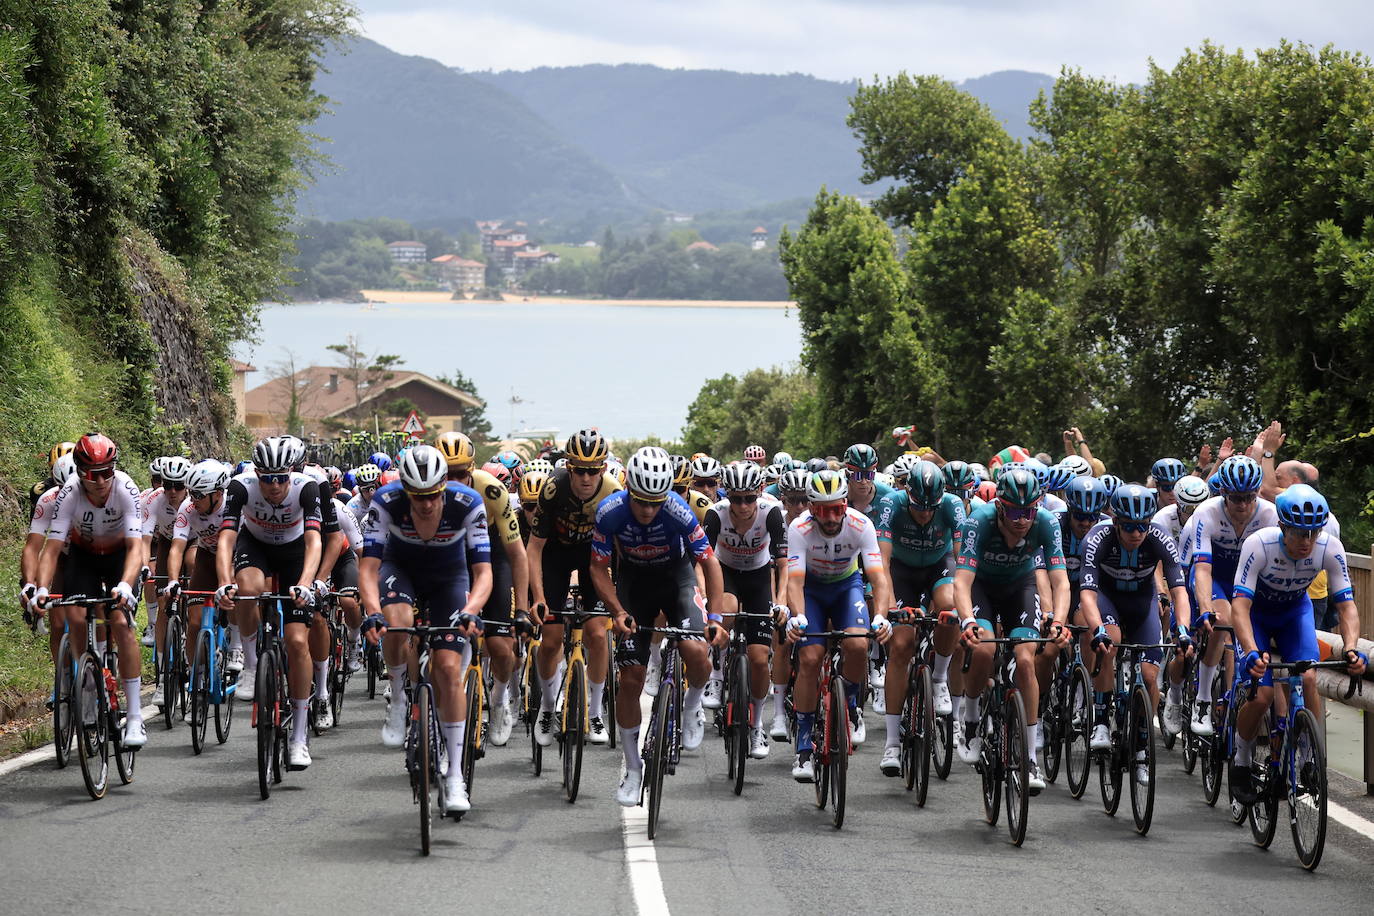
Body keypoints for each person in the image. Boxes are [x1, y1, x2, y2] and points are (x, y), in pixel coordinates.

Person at [589, 447, 726, 806]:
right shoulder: (610, 512)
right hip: (634, 586)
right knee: (630, 678)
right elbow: (597, 569)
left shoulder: (678, 512)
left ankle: (693, 705)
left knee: (697, 652)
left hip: (675, 579)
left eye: (655, 502)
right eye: (641, 502)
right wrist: (617, 611)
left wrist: (715, 619)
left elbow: (710, 564)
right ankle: (633, 769)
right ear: (629, 491)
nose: (648, 510)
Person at [360, 445, 492, 811]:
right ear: (405, 490)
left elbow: (483, 572)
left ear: (444, 487)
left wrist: (471, 609)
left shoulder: (468, 503)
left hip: (449, 577)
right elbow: (368, 568)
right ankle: (399, 698)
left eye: (433, 495)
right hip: (399, 569)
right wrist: (373, 611)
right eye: (418, 497)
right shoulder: (386, 502)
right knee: (396, 623)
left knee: (448, 669)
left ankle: (455, 778)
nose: (427, 503)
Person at [1229, 485, 1367, 802]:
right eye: (1298, 533)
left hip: (1294, 612)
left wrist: (1350, 648)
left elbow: (1346, 606)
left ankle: (1307, 757)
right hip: (1257, 617)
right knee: (1262, 694)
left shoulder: (1329, 548)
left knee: (1307, 676)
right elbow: (1240, 607)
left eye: (1312, 533)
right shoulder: (1258, 545)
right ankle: (1241, 758)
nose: (1306, 542)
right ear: (1282, 526)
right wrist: (1251, 650)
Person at [953, 467, 1071, 791]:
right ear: (1001, 508)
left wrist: (1057, 620)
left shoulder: (1046, 522)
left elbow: (1060, 582)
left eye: (1028, 511)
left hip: (1021, 585)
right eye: (1015, 511)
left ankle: (1030, 757)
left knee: (1026, 659)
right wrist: (968, 621)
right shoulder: (979, 521)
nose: (1022, 519)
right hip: (983, 588)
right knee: (984, 648)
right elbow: (962, 582)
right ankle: (973, 718)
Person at [32, 434, 149, 748]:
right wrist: (41, 589)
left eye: (106, 472)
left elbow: (136, 546)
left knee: (121, 624)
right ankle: (86, 685)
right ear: (79, 472)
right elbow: (52, 549)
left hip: (118, 558)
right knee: (75, 616)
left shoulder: (125, 488)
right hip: (83, 558)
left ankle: (135, 717)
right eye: (91, 474)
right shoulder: (69, 493)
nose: (99, 481)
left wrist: (125, 584)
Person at [214, 436, 323, 770]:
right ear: (256, 474)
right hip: (256, 544)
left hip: (294, 552)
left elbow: (314, 540)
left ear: (291, 473)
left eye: (281, 478)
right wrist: (223, 582)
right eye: (267, 478)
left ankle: (300, 737)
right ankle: (249, 667)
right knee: (248, 588)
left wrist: (305, 583)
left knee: (296, 641)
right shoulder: (240, 486)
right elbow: (226, 538)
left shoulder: (307, 488)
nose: (274, 486)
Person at [784, 469, 895, 781]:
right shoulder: (799, 528)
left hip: (847, 587)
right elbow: (794, 581)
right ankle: (804, 746)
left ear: (845, 505)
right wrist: (798, 615)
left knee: (859, 644)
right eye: (822, 510)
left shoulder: (862, 525)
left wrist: (881, 616)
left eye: (836, 509)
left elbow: (877, 577)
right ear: (810, 508)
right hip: (812, 591)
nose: (830, 518)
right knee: (809, 657)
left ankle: (850, 703)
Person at [1077, 485, 1192, 784]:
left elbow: (1180, 592)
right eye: (1129, 526)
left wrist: (1182, 629)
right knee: (1109, 643)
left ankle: (1141, 746)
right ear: (1116, 522)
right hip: (1107, 600)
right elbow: (1088, 594)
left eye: (1142, 526)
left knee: (1151, 677)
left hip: (1142, 605)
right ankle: (1101, 721)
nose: (1136, 533)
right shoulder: (1097, 538)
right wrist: (1097, 629)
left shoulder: (1159, 538)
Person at [435, 431, 532, 746]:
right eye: (447, 474)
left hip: (493, 555)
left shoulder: (492, 490)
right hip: (448, 559)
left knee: (502, 647)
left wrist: (521, 610)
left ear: (473, 468)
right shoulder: (423, 494)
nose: (454, 481)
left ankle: (500, 698)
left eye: (461, 473)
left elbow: (517, 554)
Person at [527, 429, 620, 748]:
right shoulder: (554, 488)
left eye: (593, 470)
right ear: (569, 467)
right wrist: (538, 596)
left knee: (596, 633)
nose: (585, 477)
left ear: (603, 469)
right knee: (551, 640)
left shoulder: (613, 492)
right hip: (555, 555)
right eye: (579, 469)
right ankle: (547, 707)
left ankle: (595, 712)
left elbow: (621, 550)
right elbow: (534, 547)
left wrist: (620, 600)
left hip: (593, 557)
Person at [874, 460, 965, 776]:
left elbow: (964, 563)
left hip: (940, 566)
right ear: (906, 492)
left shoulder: (953, 505)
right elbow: (881, 563)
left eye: (931, 508)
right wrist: (887, 609)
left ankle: (939, 678)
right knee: (901, 645)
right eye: (918, 506)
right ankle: (891, 743)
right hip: (901, 571)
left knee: (949, 608)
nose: (925, 513)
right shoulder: (891, 503)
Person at [702, 461, 788, 758]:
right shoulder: (716, 514)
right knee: (724, 610)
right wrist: (704, 598)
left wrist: (781, 602)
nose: (742, 505)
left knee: (759, 658)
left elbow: (783, 563)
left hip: (758, 577)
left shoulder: (771, 513)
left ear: (760, 493)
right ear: (728, 496)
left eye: (749, 498)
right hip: (724, 573)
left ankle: (755, 725)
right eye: (736, 498)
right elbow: (704, 561)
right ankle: (716, 674)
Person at [1188, 455, 1275, 737]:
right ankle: (1202, 698)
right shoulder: (1207, 512)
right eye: (1236, 498)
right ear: (1223, 492)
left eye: (1249, 497)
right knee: (1221, 619)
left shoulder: (1269, 514)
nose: (1243, 505)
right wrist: (1204, 608)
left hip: (1248, 581)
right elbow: (1201, 568)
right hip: (1215, 576)